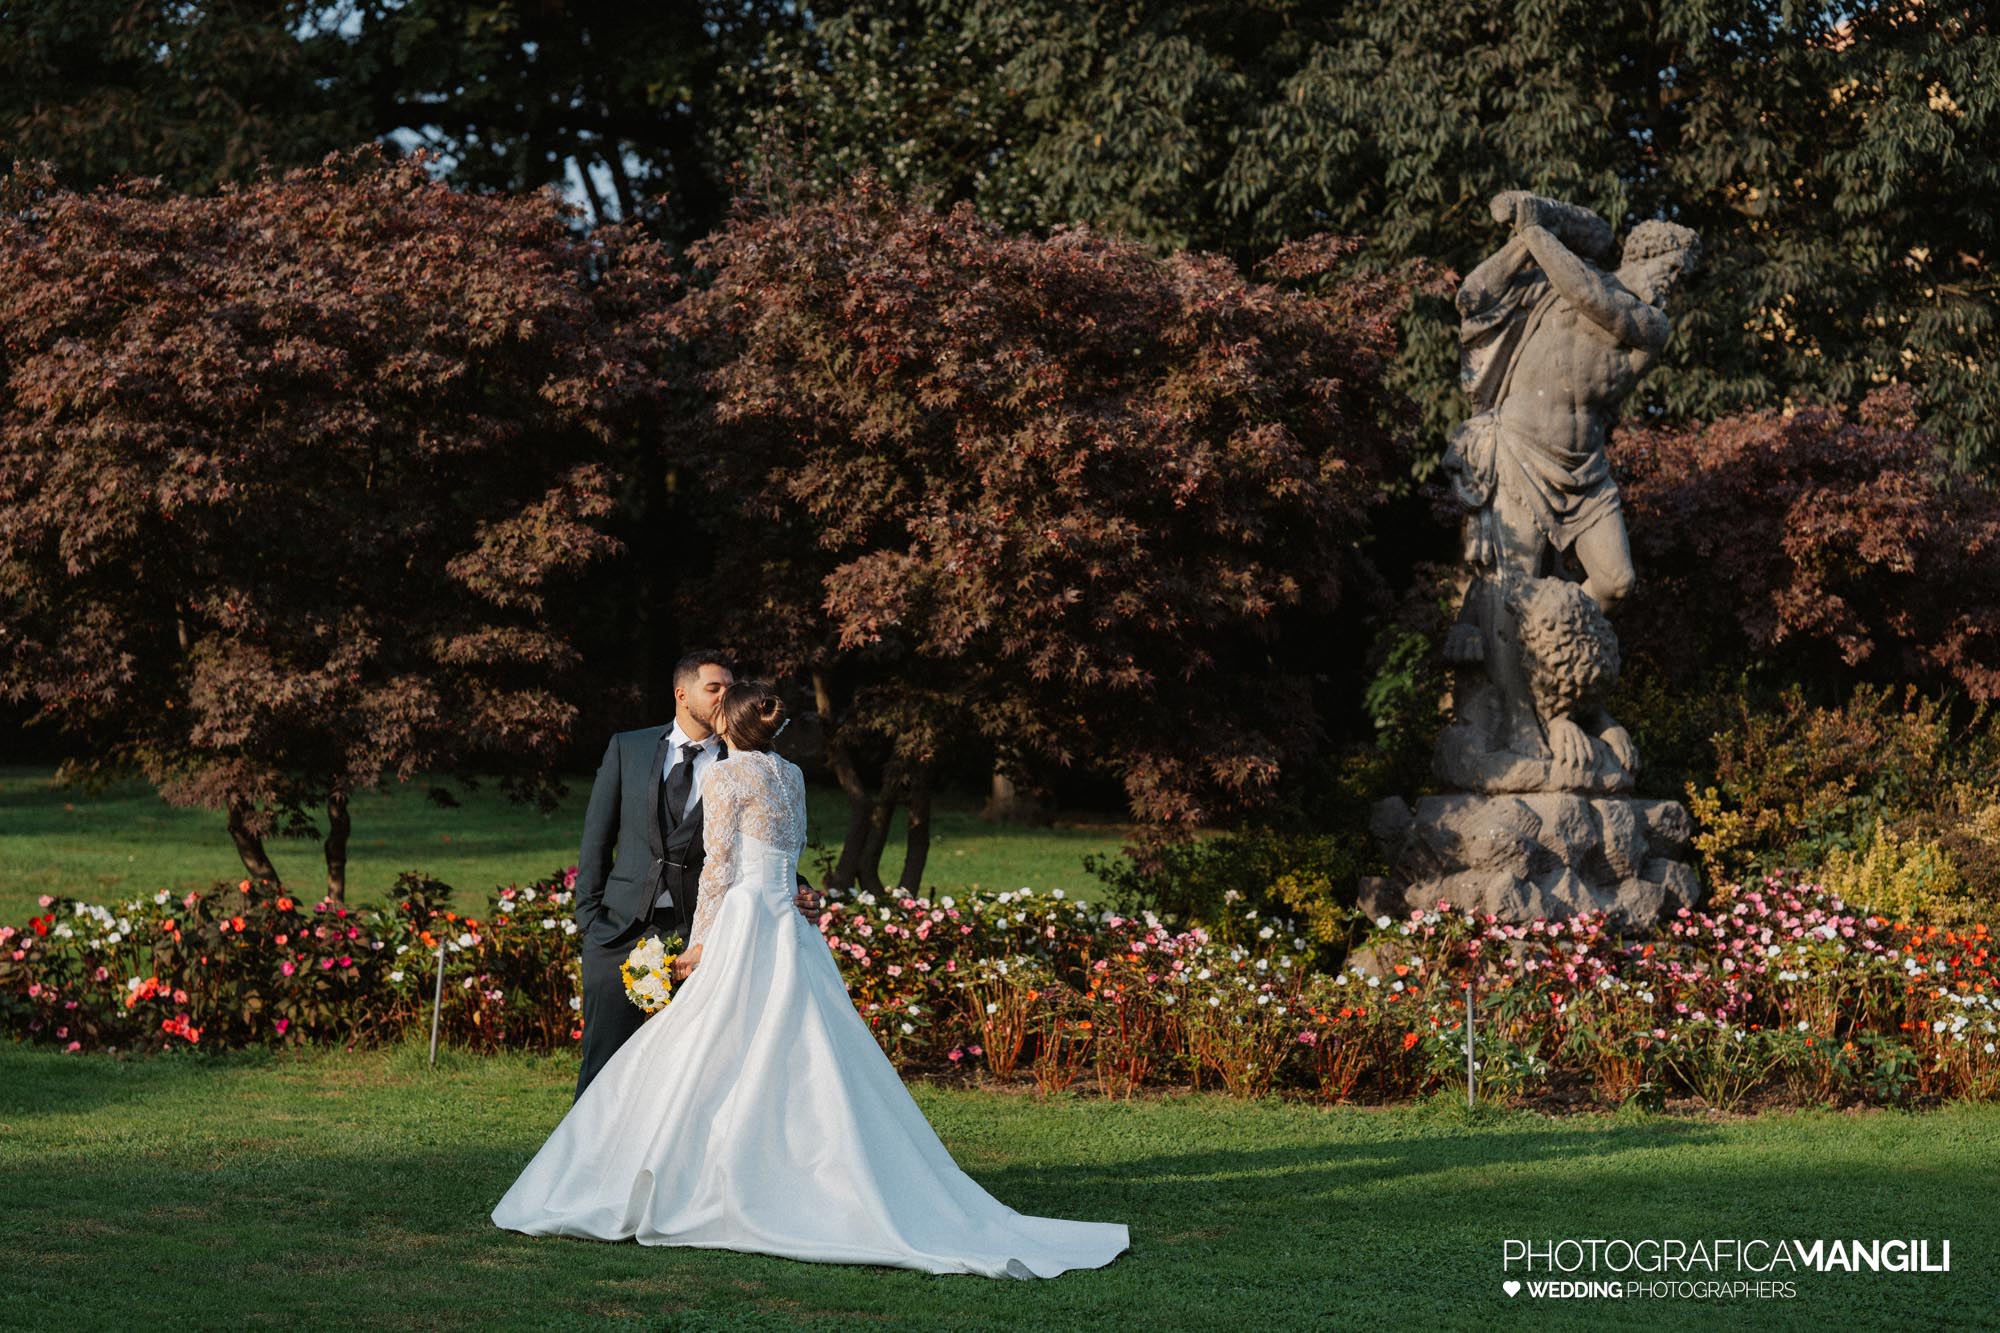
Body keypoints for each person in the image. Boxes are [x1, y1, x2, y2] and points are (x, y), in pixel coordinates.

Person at [494, 681, 1130, 1278]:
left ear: (727, 724)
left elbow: (717, 868)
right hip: (785, 922)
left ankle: (706, 1175)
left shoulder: (723, 775)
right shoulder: (791, 775)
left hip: (743, 916)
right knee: (801, 1047)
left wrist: (697, 947)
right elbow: (785, 851)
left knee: (707, 1045)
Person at [568, 650, 820, 1100]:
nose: (727, 695)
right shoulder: (630, 747)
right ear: (682, 694)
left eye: (730, 685)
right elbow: (596, 837)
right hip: (618, 929)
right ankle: (584, 1164)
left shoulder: (744, 761)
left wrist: (797, 887)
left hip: (701, 935)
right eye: (715, 688)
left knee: (690, 1070)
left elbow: (763, 842)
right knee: (602, 1063)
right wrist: (590, 919)